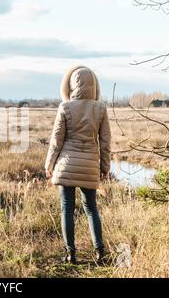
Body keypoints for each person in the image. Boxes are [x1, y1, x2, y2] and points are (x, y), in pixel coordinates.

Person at [45, 66, 111, 264]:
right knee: (91, 208)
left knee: (66, 208)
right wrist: (104, 167)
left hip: (66, 164)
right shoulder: (100, 108)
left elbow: (57, 140)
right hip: (90, 164)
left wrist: (49, 164)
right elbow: (105, 141)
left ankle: (70, 254)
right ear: (94, 85)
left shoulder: (65, 107)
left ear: (71, 85)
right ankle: (100, 252)